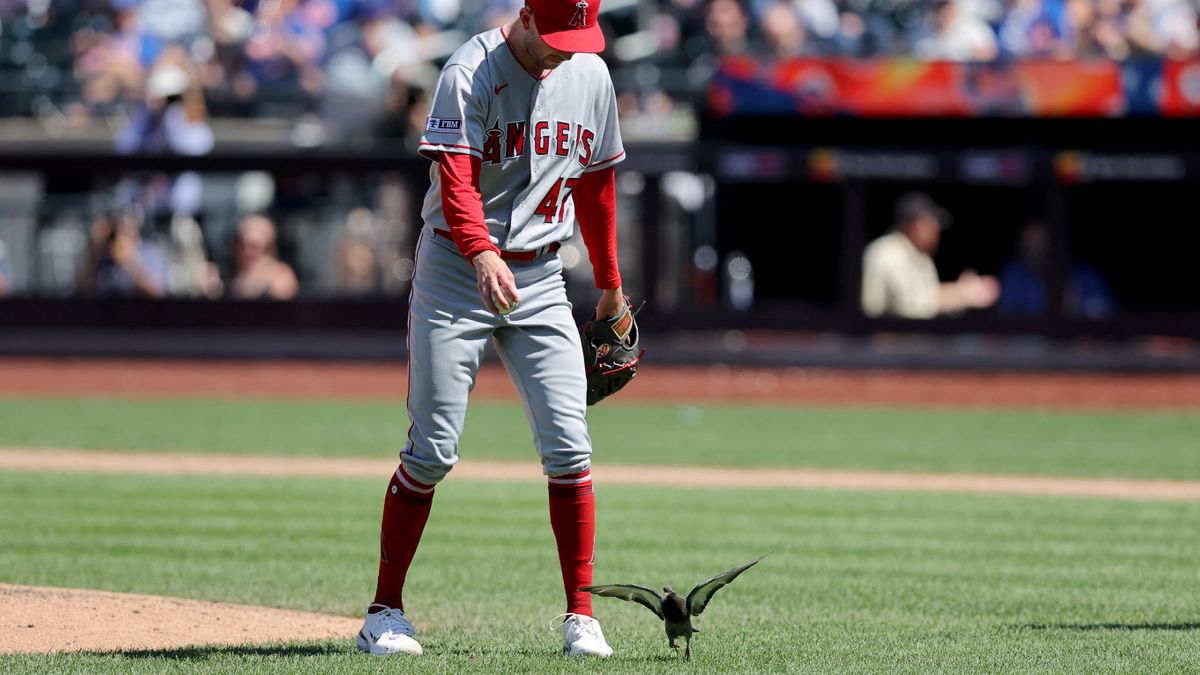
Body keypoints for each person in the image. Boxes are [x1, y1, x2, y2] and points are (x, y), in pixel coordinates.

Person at [357, 0, 627, 659]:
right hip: (456, 266)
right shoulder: (470, 70)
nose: (569, 47)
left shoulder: (590, 74)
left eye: (579, 34)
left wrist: (612, 283)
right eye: (560, 33)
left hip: (539, 278)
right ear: (529, 18)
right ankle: (383, 612)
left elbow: (596, 185)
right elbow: (454, 176)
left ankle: (582, 615)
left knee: (571, 447)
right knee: (432, 451)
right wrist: (480, 251)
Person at [861, 192, 999, 318]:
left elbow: (926, 293)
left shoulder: (921, 255)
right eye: (931, 223)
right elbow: (907, 308)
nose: (937, 230)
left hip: (915, 342)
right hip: (883, 342)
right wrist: (961, 294)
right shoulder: (887, 252)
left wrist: (962, 290)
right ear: (913, 225)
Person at [997, 220, 1116, 318]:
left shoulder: (1086, 278)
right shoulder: (1015, 278)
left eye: (1042, 243)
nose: (1037, 251)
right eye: (1031, 245)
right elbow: (1005, 318)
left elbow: (1107, 315)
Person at [76, 211, 169, 299]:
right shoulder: (102, 257)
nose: (117, 238)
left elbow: (158, 293)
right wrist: (94, 254)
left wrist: (130, 263)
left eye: (124, 231)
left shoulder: (150, 253)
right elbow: (81, 292)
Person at [228, 214, 298, 300]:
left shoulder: (281, 274)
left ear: (267, 246)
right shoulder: (228, 271)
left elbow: (283, 295)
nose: (245, 250)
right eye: (240, 244)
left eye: (253, 246)